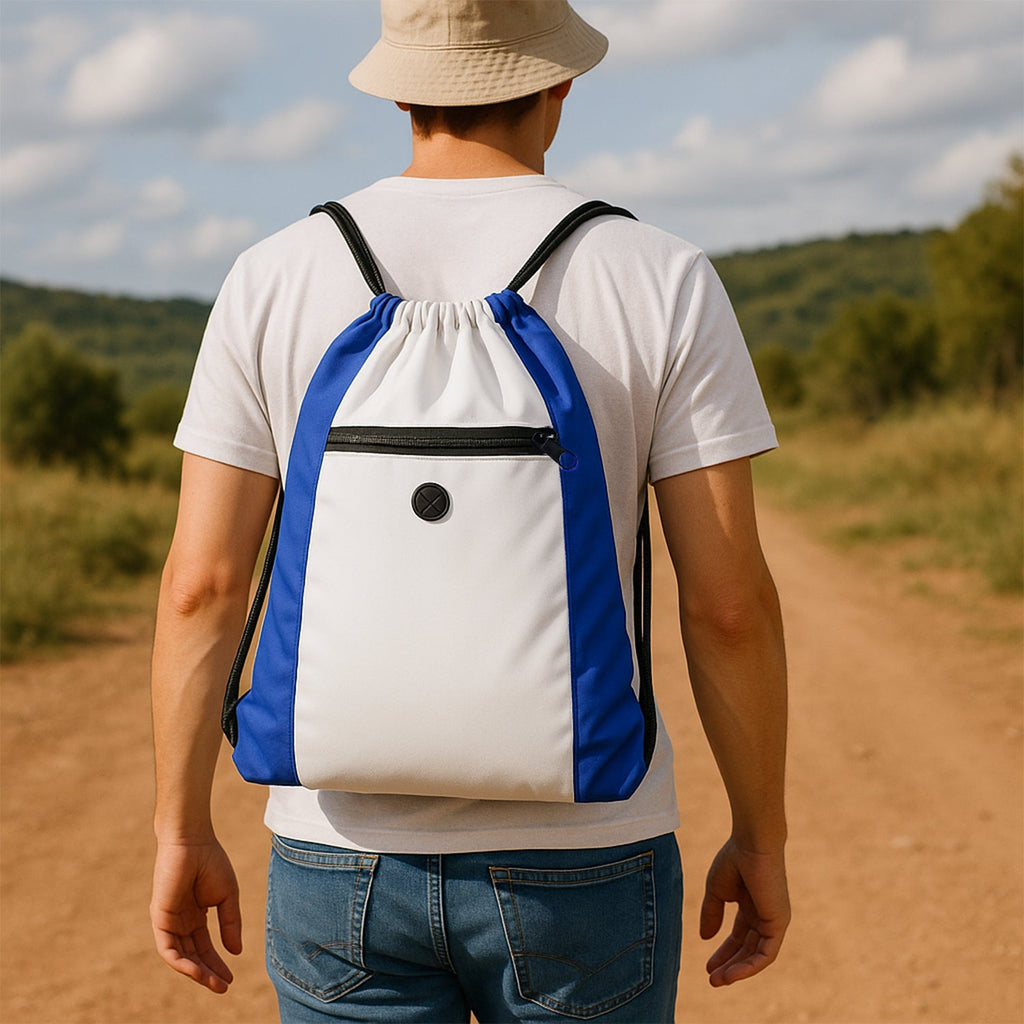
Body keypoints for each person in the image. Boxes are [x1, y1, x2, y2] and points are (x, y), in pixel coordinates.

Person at [149, 1, 790, 1020]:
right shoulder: (660, 276)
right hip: (589, 856)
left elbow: (202, 586)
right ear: (558, 85)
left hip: (336, 854)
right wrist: (759, 836)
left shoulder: (271, 275)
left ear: (399, 89)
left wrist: (180, 828)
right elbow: (727, 605)